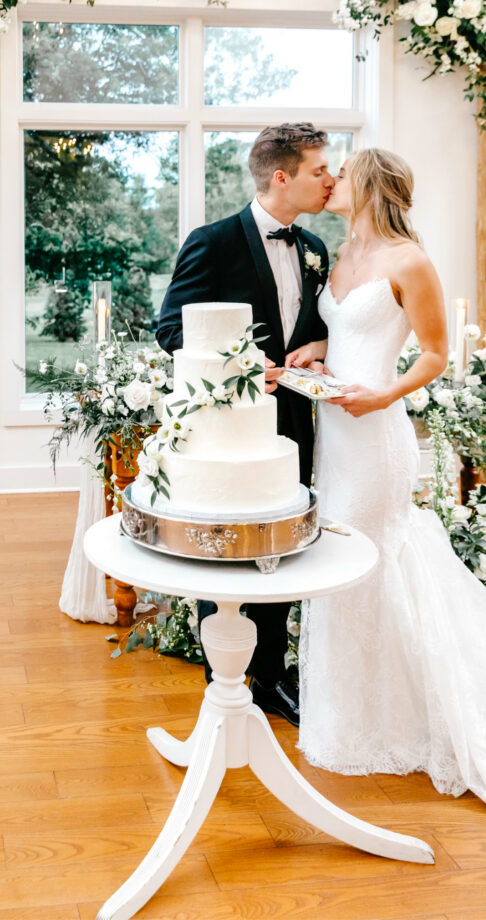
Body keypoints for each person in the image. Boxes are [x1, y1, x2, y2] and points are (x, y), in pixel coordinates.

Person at [286, 148, 486, 817]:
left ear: (370, 185)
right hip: (336, 430)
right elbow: (347, 328)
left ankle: (396, 718)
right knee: (337, 557)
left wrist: (381, 395)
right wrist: (319, 351)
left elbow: (433, 352)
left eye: (340, 173)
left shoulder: (410, 260)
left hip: (376, 434)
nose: (330, 181)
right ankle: (344, 710)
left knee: (370, 559)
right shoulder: (342, 254)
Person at [156, 122, 333, 726]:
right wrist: (238, 364)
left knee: (282, 544)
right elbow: (170, 329)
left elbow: (306, 331)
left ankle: (274, 675)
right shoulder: (214, 241)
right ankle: (225, 685)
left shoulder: (315, 248)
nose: (329, 179)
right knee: (228, 549)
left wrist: (320, 346)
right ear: (281, 177)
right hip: (231, 429)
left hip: (294, 425)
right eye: (319, 170)